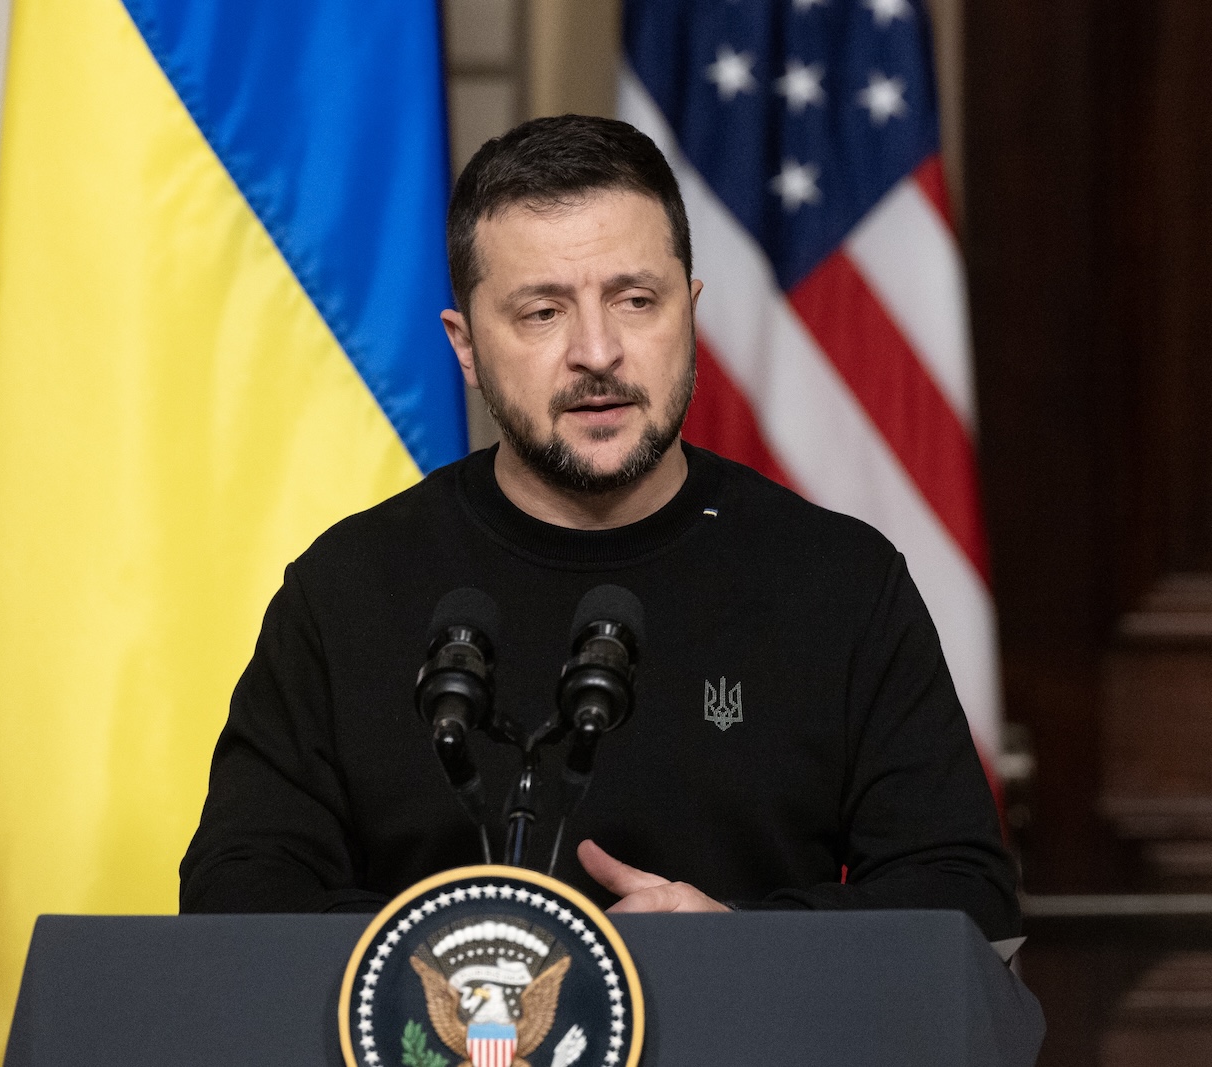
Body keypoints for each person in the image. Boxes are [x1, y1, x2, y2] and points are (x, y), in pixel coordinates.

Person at [179, 115, 1019, 939]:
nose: (598, 351)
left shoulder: (839, 581)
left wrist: (744, 942)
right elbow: (234, 891)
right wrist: (453, 947)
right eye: (542, 312)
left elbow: (964, 895)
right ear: (466, 347)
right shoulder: (348, 590)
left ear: (689, 312)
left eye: (636, 300)